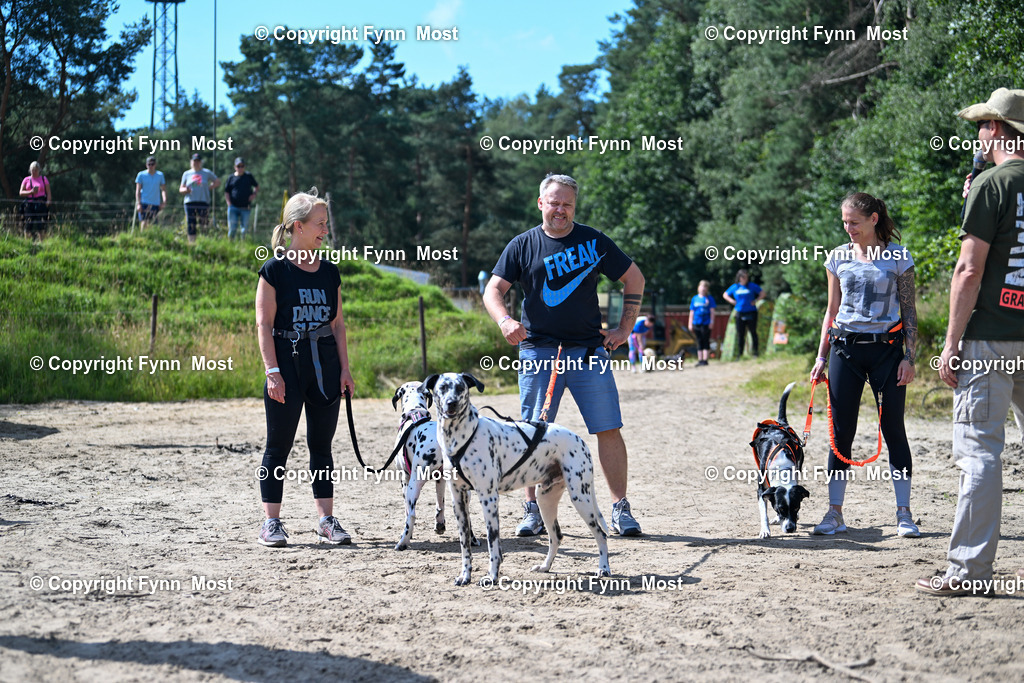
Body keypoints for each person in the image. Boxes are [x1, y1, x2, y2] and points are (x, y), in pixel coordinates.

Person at [483, 173, 646, 537]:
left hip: (588, 352)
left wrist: (624, 330)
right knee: (531, 432)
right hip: (538, 351)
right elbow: (493, 290)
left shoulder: (594, 241)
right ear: (540, 203)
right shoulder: (522, 245)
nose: (560, 210)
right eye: (554, 203)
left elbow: (634, 278)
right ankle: (532, 511)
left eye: (567, 204)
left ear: (575, 206)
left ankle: (620, 509)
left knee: (608, 428)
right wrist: (505, 321)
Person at [916, 88, 1024, 596]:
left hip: (991, 340)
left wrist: (950, 341)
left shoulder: (992, 183)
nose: (978, 134)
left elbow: (969, 269)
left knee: (980, 453)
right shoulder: (988, 183)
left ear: (996, 128)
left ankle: (968, 573)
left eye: (981, 125)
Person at [808, 192, 919, 538]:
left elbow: (909, 310)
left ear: (873, 219)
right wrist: (821, 356)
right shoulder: (837, 257)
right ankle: (834, 513)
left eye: (854, 222)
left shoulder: (898, 256)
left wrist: (910, 357)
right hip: (845, 351)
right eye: (844, 222)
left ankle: (904, 513)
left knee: (893, 429)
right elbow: (831, 310)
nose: (848, 228)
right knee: (841, 432)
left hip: (887, 352)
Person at [254, 188, 355, 547]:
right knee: (277, 446)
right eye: (319, 224)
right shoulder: (274, 270)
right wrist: (272, 371)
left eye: (325, 224)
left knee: (322, 445)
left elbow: (337, 324)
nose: (325, 230)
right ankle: (271, 522)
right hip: (287, 365)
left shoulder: (329, 272)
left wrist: (345, 370)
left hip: (325, 365)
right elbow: (264, 324)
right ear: (298, 227)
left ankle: (326, 520)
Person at [722, 269, 765, 358]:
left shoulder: (752, 286)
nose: (745, 279)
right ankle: (740, 354)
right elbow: (725, 295)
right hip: (740, 312)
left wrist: (756, 300)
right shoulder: (735, 287)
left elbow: (763, 293)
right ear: (740, 278)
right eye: (744, 277)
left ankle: (755, 352)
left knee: (753, 332)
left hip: (751, 312)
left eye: (746, 277)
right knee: (740, 334)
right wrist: (732, 301)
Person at [179, 153, 220, 243]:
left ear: (201, 162)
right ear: (191, 162)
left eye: (198, 161)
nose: (196, 163)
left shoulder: (206, 172)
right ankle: (191, 243)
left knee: (204, 222)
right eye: (194, 161)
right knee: (191, 223)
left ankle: (203, 241)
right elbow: (181, 189)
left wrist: (208, 188)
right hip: (190, 201)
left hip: (203, 201)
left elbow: (217, 182)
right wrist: (186, 190)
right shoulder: (186, 174)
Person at [224, 156, 259, 240]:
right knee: (232, 229)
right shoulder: (231, 178)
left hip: (246, 207)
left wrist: (254, 194)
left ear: (244, 167)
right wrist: (229, 203)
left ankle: (243, 244)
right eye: (238, 166)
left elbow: (256, 186)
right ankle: (230, 244)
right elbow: (226, 191)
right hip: (233, 207)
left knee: (244, 230)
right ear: (235, 167)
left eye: (242, 166)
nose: (240, 168)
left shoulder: (248, 176)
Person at [689, 280, 716, 366]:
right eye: (702, 286)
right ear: (698, 288)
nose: (703, 289)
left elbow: (712, 312)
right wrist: (690, 323)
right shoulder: (695, 299)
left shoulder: (709, 299)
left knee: (705, 340)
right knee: (699, 341)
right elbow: (692, 312)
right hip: (697, 322)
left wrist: (711, 322)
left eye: (705, 287)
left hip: (706, 323)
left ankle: (705, 360)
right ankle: (700, 360)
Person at [19, 162, 51, 236]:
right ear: (30, 170)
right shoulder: (26, 179)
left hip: (41, 204)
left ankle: (42, 241)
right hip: (29, 204)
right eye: (32, 170)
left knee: (41, 224)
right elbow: (21, 192)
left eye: (36, 170)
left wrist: (48, 202)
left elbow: (48, 192)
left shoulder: (44, 179)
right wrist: (31, 192)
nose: (34, 172)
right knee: (28, 224)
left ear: (39, 170)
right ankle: (27, 241)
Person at [134, 156, 166, 229]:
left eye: (152, 164)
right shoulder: (141, 175)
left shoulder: (160, 175)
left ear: (155, 164)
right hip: (144, 202)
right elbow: (138, 190)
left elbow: (163, 189)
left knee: (154, 224)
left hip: (155, 203)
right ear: (146, 165)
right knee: (144, 223)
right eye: (149, 164)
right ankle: (143, 236)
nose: (151, 166)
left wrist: (164, 202)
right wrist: (138, 203)